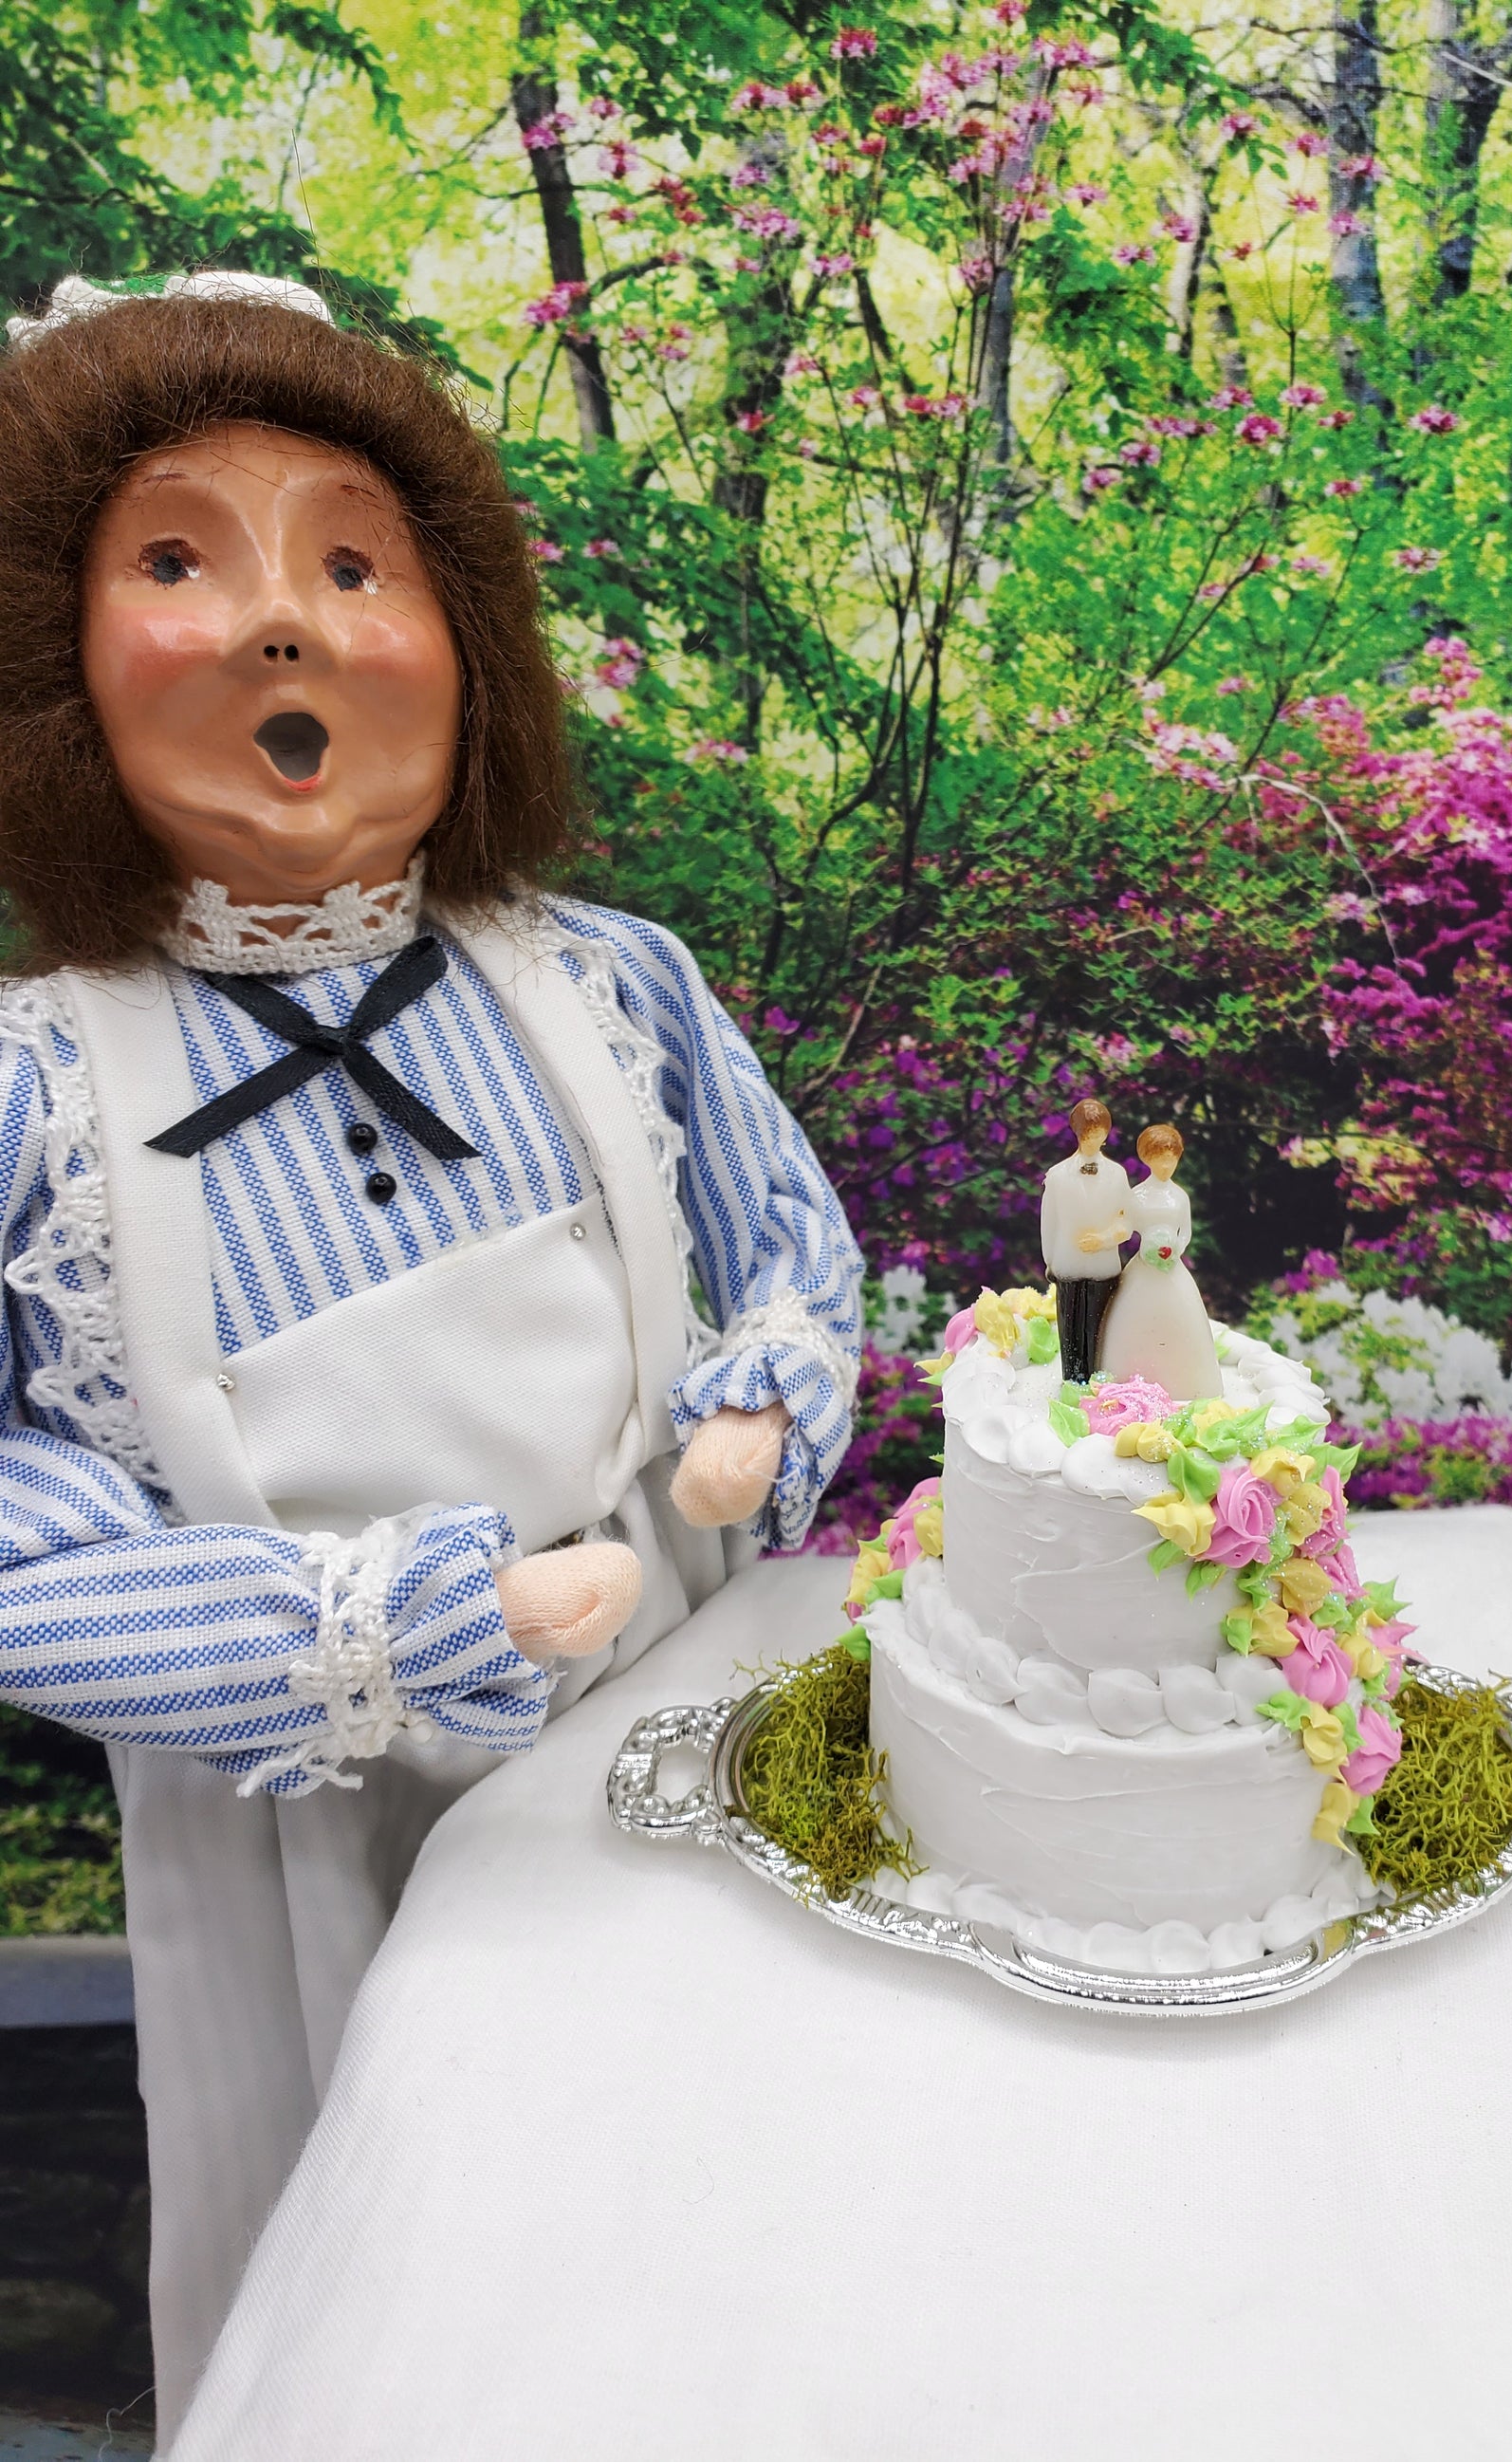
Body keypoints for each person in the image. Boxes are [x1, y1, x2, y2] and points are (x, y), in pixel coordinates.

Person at [0, 272, 862, 2437]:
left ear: (466, 641)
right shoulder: (37, 1093)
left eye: (354, 565)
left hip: (679, 1689)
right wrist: (376, 1626)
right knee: (406, 2274)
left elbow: (787, 1238)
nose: (281, 623)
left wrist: (767, 1396)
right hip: (309, 1817)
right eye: (178, 562)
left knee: (732, 2203)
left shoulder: (611, 982)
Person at [1096, 1123, 1223, 1400]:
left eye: (1171, 1159)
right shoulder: (1136, 1196)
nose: (1166, 1165)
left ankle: (1190, 1385)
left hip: (1172, 1268)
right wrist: (1103, 1239)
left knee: (1183, 1319)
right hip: (1143, 1269)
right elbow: (1125, 1228)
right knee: (1130, 1317)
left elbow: (1185, 1232)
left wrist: (1175, 1248)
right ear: (1147, 1158)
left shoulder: (1179, 1197)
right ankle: (1124, 1378)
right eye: (1160, 1159)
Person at [1040, 1096, 1131, 1381]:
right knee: (1069, 1327)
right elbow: (1049, 1222)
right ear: (1077, 1133)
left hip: (1104, 1265)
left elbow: (1127, 1220)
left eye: (1099, 1134)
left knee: (1099, 1326)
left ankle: (1097, 1380)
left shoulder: (1117, 1175)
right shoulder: (1057, 1176)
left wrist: (1105, 1239)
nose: (1093, 1140)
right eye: (1088, 1134)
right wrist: (1050, 1261)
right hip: (1067, 1263)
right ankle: (1071, 1379)